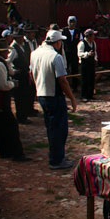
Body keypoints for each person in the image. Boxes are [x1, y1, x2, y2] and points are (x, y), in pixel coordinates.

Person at [30, 30, 78, 170]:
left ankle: (57, 155)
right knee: (59, 129)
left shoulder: (35, 53)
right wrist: (72, 99)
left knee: (51, 128)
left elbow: (32, 73)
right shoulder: (55, 57)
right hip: (54, 95)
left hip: (42, 94)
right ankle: (57, 160)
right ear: (57, 42)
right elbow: (62, 80)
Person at [0, 39, 30, 162]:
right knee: (11, 127)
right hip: (0, 100)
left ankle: (5, 151)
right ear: (2, 52)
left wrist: (13, 73)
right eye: (6, 52)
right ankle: (17, 154)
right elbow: (2, 85)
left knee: (2, 128)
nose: (7, 54)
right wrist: (13, 84)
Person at [7, 28, 32, 124]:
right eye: (19, 37)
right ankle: (20, 116)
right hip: (19, 76)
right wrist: (12, 71)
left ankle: (24, 115)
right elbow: (7, 61)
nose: (22, 39)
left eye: (22, 37)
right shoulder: (13, 48)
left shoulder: (22, 46)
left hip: (24, 75)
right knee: (19, 98)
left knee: (24, 96)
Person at [78, 28, 98, 101]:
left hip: (91, 63)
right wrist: (87, 54)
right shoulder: (82, 43)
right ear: (89, 36)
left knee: (91, 79)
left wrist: (95, 59)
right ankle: (84, 96)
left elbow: (95, 52)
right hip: (84, 63)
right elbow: (79, 54)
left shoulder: (93, 43)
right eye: (93, 35)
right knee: (85, 80)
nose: (94, 37)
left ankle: (90, 95)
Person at [62, 16, 82, 88]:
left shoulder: (78, 31)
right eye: (71, 22)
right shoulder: (64, 31)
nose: (72, 24)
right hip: (66, 53)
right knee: (65, 69)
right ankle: (65, 85)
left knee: (75, 69)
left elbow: (80, 41)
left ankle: (75, 86)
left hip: (74, 52)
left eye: (73, 22)